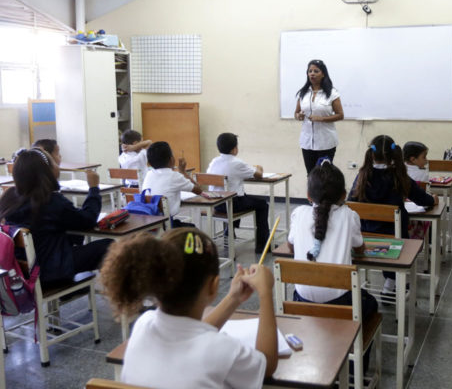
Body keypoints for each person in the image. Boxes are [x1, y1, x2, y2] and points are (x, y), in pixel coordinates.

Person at [100, 228, 278, 389]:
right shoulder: (222, 349)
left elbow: (190, 334)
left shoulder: (143, 325)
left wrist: (233, 298)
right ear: (214, 286)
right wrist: (265, 293)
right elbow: (267, 365)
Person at [287, 159, 376, 373]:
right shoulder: (349, 215)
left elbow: (291, 247)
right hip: (341, 304)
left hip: (301, 301)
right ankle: (355, 373)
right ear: (344, 195)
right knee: (371, 304)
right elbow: (360, 249)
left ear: (308, 196)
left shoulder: (298, 214)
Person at [0, 148, 111, 284]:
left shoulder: (9, 196)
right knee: (110, 246)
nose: (58, 166)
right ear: (46, 172)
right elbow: (88, 219)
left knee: (71, 236)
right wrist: (94, 189)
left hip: (21, 272)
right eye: (54, 163)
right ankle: (121, 295)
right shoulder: (50, 200)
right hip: (50, 270)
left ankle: (73, 290)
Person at [349, 135, 438, 294]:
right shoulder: (398, 176)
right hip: (394, 239)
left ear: (372, 154)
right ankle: (392, 282)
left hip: (365, 237)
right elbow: (423, 200)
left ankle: (390, 283)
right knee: (403, 236)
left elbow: (351, 203)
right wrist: (434, 200)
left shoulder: (362, 175)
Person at [207, 133, 269, 254]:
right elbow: (258, 174)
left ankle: (229, 232)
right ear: (234, 149)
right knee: (262, 205)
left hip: (216, 203)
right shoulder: (237, 163)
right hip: (232, 204)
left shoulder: (214, 162)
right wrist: (259, 167)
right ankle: (262, 244)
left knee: (239, 196)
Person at [294, 60, 344, 174]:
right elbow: (296, 113)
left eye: (316, 71)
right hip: (307, 143)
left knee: (325, 175)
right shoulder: (303, 93)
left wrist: (322, 119)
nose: (312, 73)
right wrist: (299, 116)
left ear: (323, 74)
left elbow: (340, 115)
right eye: (310, 71)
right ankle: (312, 192)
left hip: (326, 142)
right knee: (311, 175)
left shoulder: (332, 93)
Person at [142, 141, 202, 228]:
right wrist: (183, 171)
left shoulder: (149, 174)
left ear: (149, 163)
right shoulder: (174, 176)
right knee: (193, 230)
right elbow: (198, 190)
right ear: (171, 160)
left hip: (148, 224)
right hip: (166, 226)